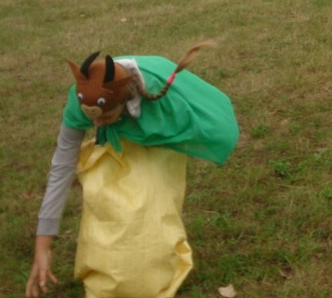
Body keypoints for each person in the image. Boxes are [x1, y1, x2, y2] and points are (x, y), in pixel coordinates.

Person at [26, 44, 239, 298]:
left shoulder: (162, 102)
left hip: (154, 124)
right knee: (109, 200)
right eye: (91, 119)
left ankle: (153, 260)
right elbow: (62, 165)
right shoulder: (80, 100)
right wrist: (43, 244)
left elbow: (205, 117)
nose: (94, 125)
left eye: (103, 119)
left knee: (146, 201)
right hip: (125, 117)